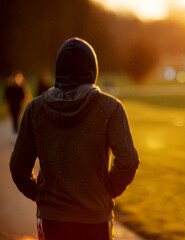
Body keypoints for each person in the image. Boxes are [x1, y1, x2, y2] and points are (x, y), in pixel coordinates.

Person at [9, 37, 139, 240]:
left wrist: (42, 196)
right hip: (95, 217)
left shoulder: (35, 109)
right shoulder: (110, 108)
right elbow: (128, 160)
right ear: (92, 70)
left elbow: (18, 167)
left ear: (59, 71)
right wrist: (107, 191)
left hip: (52, 219)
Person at [5, 71, 25, 139]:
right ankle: (15, 133)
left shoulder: (20, 87)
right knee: (14, 119)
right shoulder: (9, 87)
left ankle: (16, 132)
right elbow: (6, 97)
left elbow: (23, 97)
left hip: (18, 106)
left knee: (17, 119)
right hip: (12, 107)